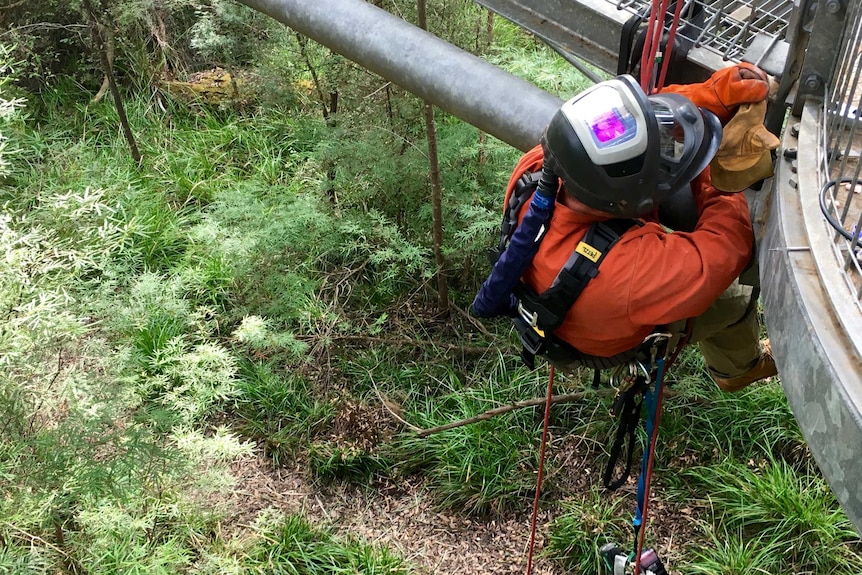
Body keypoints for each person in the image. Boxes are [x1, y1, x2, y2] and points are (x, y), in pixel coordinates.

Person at [473, 64, 777, 391]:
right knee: (735, 298)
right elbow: (727, 247)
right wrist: (718, 178)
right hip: (599, 332)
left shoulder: (542, 167)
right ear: (627, 200)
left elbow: (629, 117)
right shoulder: (628, 272)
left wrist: (708, 96)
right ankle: (738, 369)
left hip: (576, 295)